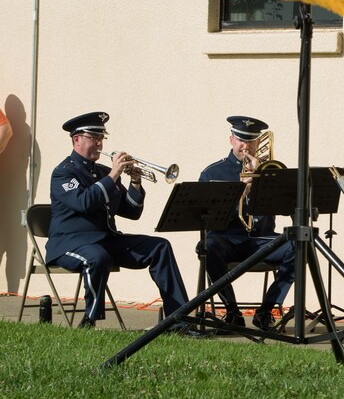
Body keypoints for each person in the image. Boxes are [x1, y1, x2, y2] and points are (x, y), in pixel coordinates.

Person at [46, 112, 190, 329]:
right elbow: (85, 203)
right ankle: (89, 320)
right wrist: (113, 175)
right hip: (70, 243)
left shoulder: (104, 172)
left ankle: (178, 319)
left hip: (105, 239)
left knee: (160, 247)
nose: (99, 143)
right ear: (77, 139)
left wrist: (136, 182)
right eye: (94, 137)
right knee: (97, 257)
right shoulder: (64, 173)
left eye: (101, 138)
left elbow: (131, 211)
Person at [197, 116, 295, 331]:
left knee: (301, 245)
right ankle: (232, 311)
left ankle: (266, 309)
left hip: (262, 239)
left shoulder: (271, 171)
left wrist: (267, 182)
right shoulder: (213, 173)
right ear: (231, 139)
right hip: (228, 238)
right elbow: (210, 218)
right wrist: (241, 192)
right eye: (241, 139)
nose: (245, 146)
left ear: (258, 143)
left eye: (251, 141)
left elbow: (288, 208)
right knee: (208, 245)